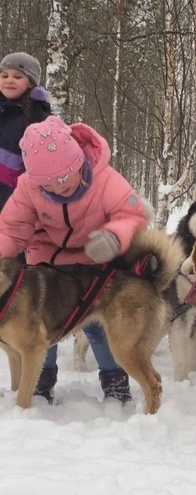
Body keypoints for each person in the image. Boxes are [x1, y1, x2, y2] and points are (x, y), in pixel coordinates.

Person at [0, 116, 151, 404]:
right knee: (41, 319)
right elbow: (10, 229)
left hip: (95, 257)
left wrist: (113, 237)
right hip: (47, 258)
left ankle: (114, 379)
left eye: (61, 179)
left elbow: (132, 214)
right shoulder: (28, 188)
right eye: (47, 185)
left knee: (95, 325)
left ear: (78, 163)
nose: (56, 189)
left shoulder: (106, 179)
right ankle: (42, 381)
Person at [0, 52, 51, 209]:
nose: (9, 80)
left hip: (14, 200)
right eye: (4, 75)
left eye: (17, 76)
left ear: (31, 83)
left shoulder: (38, 115)